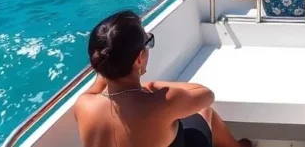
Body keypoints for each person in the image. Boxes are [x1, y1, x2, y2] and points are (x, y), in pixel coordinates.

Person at [74, 10, 251, 147]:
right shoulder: (162, 102)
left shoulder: (84, 105)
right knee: (205, 112)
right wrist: (151, 85)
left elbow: (100, 80)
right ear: (138, 59)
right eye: (148, 41)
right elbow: (206, 95)